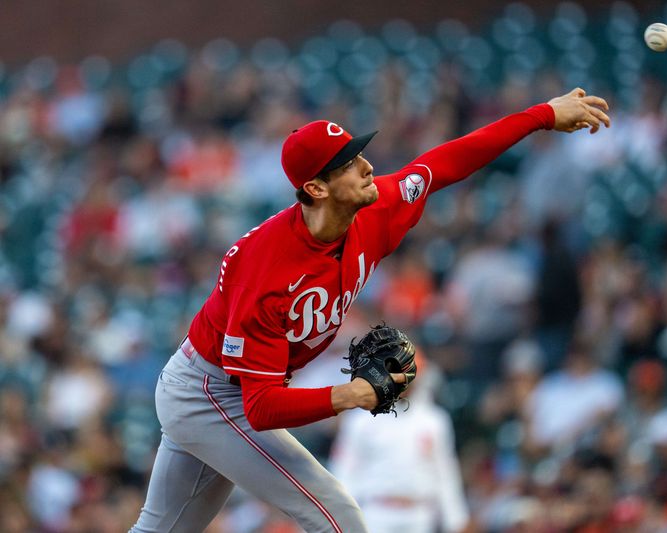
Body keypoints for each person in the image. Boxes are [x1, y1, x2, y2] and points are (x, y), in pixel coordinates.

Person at [131, 87, 611, 533]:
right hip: (211, 390)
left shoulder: (375, 208)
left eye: (358, 153)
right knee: (338, 515)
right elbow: (258, 408)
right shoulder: (265, 273)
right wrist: (352, 394)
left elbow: (447, 162)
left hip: (226, 388)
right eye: (347, 163)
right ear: (317, 188)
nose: (365, 166)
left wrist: (543, 116)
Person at [329, 354, 470, 533]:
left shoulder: (433, 420)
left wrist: (456, 520)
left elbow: (445, 471)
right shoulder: (361, 420)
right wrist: (342, 518)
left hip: (420, 513)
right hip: (376, 511)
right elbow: (345, 471)